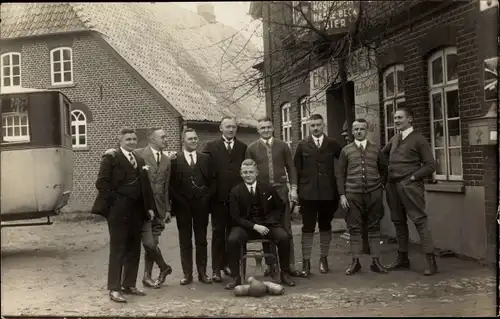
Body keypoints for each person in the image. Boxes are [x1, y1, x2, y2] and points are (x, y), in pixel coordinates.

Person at [91, 128, 157, 303]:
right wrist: (116, 202)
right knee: (118, 250)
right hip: (118, 213)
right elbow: (101, 183)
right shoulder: (111, 158)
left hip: (137, 212)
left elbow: (145, 186)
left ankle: (129, 284)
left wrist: (149, 207)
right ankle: (114, 288)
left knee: (134, 249)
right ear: (119, 140)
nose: (132, 142)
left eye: (134, 139)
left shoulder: (139, 159)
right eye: (128, 139)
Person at [104, 128, 173, 288]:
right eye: (162, 137)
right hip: (141, 208)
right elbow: (120, 153)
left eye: (166, 136)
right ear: (152, 139)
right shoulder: (139, 154)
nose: (165, 139)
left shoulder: (167, 159)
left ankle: (147, 276)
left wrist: (168, 209)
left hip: (159, 207)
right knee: (148, 244)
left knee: (153, 243)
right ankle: (164, 267)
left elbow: (167, 186)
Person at [381, 108, 438, 276]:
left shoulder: (419, 139)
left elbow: (430, 165)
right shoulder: (394, 138)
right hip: (393, 186)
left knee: (419, 220)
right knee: (398, 222)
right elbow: (381, 156)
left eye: (400, 117)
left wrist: (413, 177)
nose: (396, 120)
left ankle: (431, 261)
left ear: (410, 119)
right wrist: (385, 177)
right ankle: (402, 258)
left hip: (410, 186)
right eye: (395, 118)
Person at [225, 159, 296, 289]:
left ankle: (284, 273)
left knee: (284, 237)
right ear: (241, 174)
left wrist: (270, 222)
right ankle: (236, 277)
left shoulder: (268, 188)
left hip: (267, 225)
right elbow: (235, 217)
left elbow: (279, 207)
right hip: (245, 226)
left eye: (251, 172)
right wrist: (254, 226)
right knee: (232, 240)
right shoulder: (235, 191)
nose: (248, 175)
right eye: (245, 172)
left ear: (256, 172)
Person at [245, 117, 301, 278]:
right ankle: (270, 264)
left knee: (286, 228)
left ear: (273, 128)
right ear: (258, 130)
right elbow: (247, 171)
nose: (266, 130)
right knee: (266, 227)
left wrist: (294, 189)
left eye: (268, 127)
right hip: (262, 193)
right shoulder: (252, 148)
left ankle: (289, 264)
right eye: (262, 128)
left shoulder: (283, 146)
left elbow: (291, 167)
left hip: (282, 190)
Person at [336, 118, 388, 275]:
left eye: (362, 129)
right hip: (353, 195)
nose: (359, 131)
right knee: (354, 228)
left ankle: (376, 261)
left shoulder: (375, 149)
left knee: (374, 226)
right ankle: (355, 262)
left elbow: (384, 169)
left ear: (367, 131)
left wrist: (380, 187)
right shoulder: (346, 151)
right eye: (356, 129)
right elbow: (340, 174)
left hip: (373, 194)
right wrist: (342, 195)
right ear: (352, 132)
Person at [293, 113, 342, 277]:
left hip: (328, 194)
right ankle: (306, 263)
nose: (315, 128)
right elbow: (296, 169)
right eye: (312, 125)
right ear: (309, 126)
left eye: (318, 125)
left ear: (324, 125)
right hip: (308, 194)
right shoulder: (302, 145)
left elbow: (343, 164)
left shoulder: (333, 144)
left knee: (325, 226)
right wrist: (297, 191)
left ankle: (323, 259)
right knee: (307, 228)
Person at [202, 116, 247, 283]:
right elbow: (205, 172)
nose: (231, 130)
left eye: (233, 127)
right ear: (221, 128)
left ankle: (230, 265)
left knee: (233, 233)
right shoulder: (211, 147)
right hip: (218, 199)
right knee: (218, 233)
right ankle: (216, 269)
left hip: (236, 199)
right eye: (227, 127)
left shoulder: (243, 147)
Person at [170, 128, 215, 285]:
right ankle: (187, 274)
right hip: (183, 208)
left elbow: (212, 182)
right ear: (183, 141)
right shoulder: (175, 160)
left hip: (201, 206)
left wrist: (206, 198)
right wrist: (180, 201)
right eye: (190, 139)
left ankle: (202, 273)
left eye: (195, 138)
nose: (194, 141)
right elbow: (172, 185)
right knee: (185, 241)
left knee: (201, 240)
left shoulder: (205, 159)